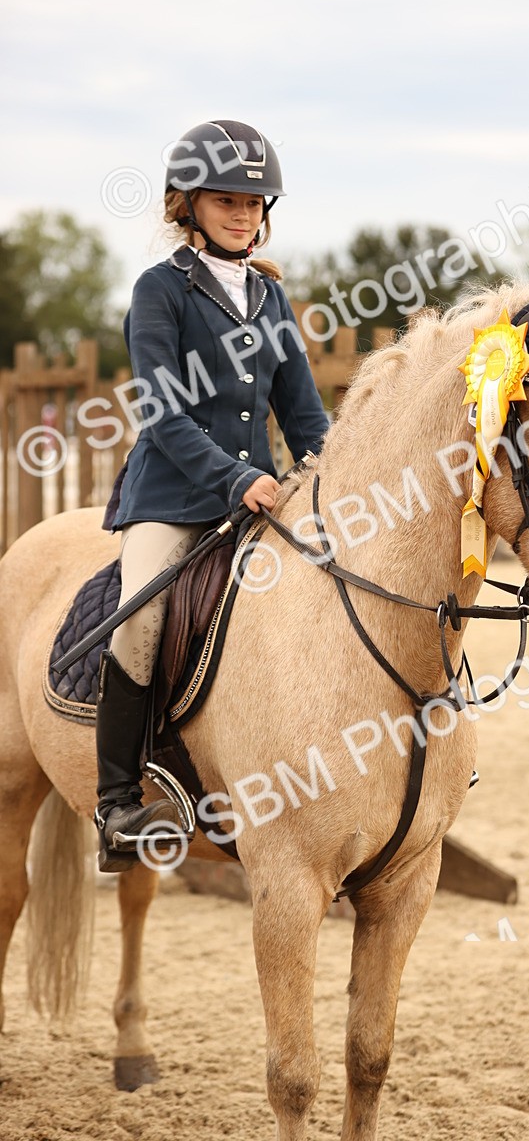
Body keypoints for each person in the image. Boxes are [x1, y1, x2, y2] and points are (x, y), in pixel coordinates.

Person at [95, 119, 330, 871]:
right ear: (186, 206)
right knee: (140, 620)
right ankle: (118, 802)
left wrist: (331, 474)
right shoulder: (159, 291)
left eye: (256, 202)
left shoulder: (269, 299)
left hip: (258, 498)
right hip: (173, 496)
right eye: (226, 199)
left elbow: (302, 414)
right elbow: (161, 410)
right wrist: (235, 478)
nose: (244, 213)